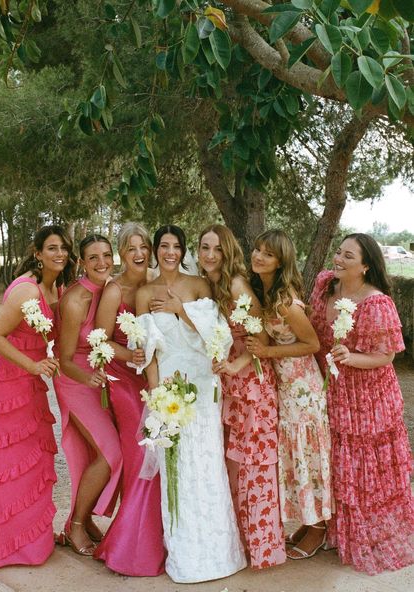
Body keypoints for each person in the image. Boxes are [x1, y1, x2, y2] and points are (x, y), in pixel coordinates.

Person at [136, 224, 247, 584]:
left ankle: (221, 555)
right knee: (178, 471)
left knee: (208, 466)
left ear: (184, 251)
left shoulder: (200, 286)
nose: (170, 252)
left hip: (201, 384)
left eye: (177, 246)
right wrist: (155, 399)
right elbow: (149, 353)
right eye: (164, 246)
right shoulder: (143, 293)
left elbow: (219, 338)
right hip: (168, 389)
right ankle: (185, 557)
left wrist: (181, 309)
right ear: (155, 250)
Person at [310, 233, 414, 574]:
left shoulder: (376, 303)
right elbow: (314, 330)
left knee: (365, 468)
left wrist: (350, 357)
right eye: (338, 251)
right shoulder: (326, 285)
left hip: (367, 397)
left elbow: (385, 356)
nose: (338, 259)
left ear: (366, 266)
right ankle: (338, 530)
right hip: (332, 390)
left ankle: (370, 533)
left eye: (348, 256)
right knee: (338, 462)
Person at [0, 225, 75, 568]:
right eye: (52, 248)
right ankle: (5, 546)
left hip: (29, 374)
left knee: (33, 457)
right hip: (10, 378)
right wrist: (32, 366)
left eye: (63, 248)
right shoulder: (28, 292)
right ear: (38, 253)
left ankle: (32, 541)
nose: (59, 253)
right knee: (11, 460)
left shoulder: (53, 286)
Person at [197, 224, 286, 569]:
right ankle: (241, 543)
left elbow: (260, 336)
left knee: (255, 468)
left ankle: (265, 548)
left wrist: (237, 364)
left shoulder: (235, 284)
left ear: (227, 251)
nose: (209, 255)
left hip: (254, 385)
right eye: (204, 247)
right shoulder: (213, 285)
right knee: (235, 467)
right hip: (233, 387)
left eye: (216, 249)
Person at [247, 229, 332, 560]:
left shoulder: (285, 302)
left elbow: (313, 345)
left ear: (281, 261)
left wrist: (268, 353)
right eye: (256, 249)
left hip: (303, 387)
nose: (258, 256)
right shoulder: (266, 293)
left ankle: (319, 527)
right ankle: (308, 520)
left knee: (308, 454)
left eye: (267, 254)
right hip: (284, 385)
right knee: (295, 454)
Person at [93, 222, 165, 576]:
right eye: (131, 248)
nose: (139, 254)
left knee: (160, 455)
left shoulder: (156, 282)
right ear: (122, 253)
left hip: (156, 379)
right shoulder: (114, 290)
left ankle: (157, 541)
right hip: (124, 382)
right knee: (141, 456)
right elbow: (101, 341)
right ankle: (130, 549)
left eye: (144, 247)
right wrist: (128, 356)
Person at [53, 235, 122, 556]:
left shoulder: (111, 289)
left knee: (89, 456)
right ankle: (76, 526)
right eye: (93, 257)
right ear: (81, 262)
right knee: (110, 454)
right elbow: (65, 359)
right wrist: (89, 377)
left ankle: (85, 519)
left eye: (106, 255)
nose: (101, 262)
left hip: (101, 379)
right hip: (76, 381)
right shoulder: (75, 300)